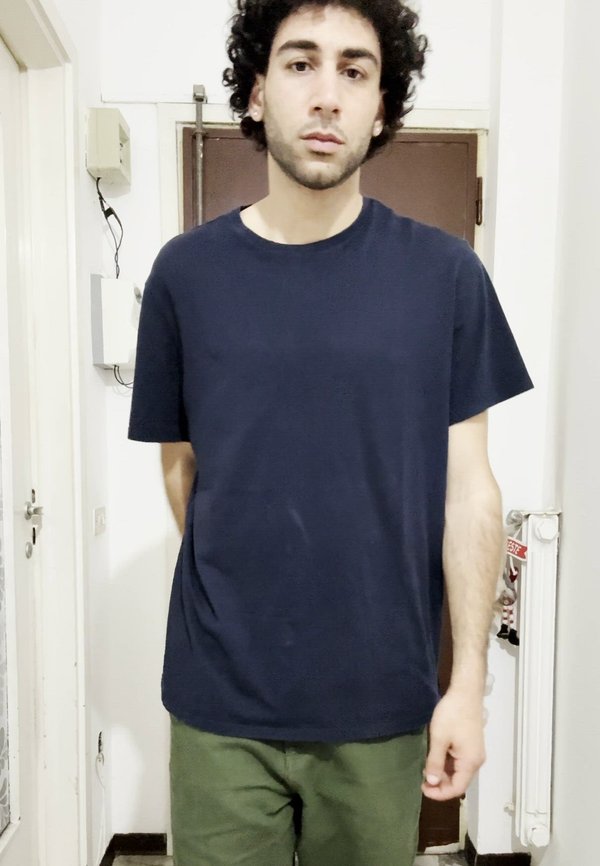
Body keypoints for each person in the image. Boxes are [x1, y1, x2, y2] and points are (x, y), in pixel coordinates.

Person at [127, 1, 534, 864]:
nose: (326, 95)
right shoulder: (185, 275)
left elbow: (470, 492)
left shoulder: (446, 277)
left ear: (381, 107)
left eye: (355, 71)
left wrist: (467, 687)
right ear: (256, 92)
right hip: (220, 704)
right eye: (300, 63)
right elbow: (180, 466)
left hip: (381, 703)